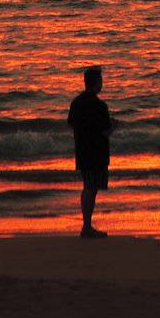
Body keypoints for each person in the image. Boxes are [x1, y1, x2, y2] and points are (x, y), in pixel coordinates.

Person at [67, 64, 113, 238]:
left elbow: (70, 123)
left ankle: (86, 225)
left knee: (87, 186)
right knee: (91, 189)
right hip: (97, 151)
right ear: (96, 82)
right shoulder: (100, 105)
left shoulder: (76, 102)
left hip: (82, 149)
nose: (102, 83)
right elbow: (105, 131)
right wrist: (115, 126)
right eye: (101, 80)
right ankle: (86, 226)